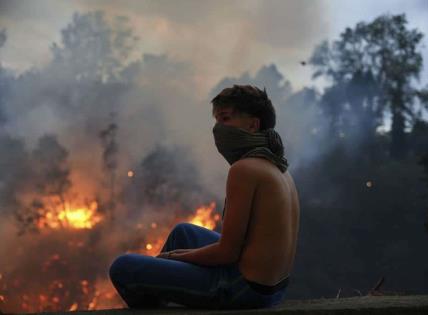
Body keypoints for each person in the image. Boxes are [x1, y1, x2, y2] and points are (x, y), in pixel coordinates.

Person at [109, 84, 300, 309]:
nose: (218, 129)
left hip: (244, 289)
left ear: (253, 125)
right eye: (217, 120)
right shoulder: (278, 167)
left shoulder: (245, 170)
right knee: (184, 232)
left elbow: (228, 253)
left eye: (225, 119)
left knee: (123, 268)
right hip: (274, 288)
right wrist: (180, 254)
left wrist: (174, 258)